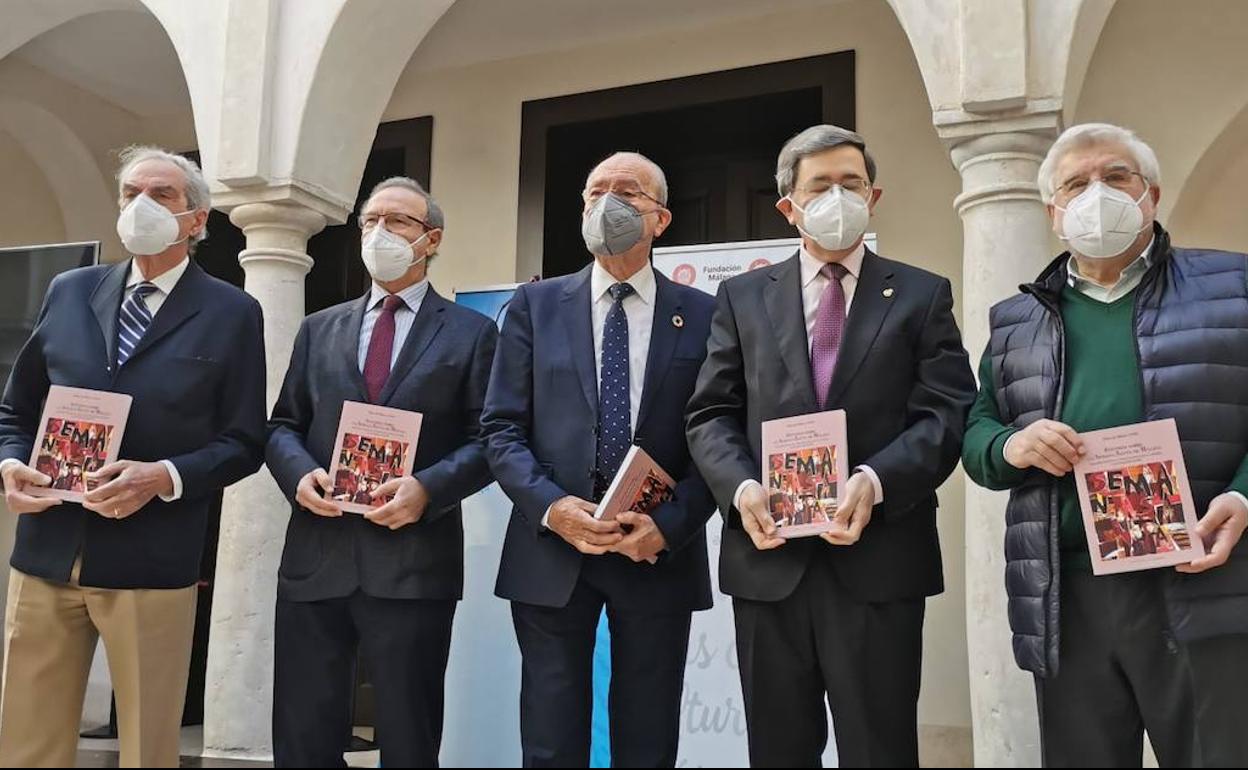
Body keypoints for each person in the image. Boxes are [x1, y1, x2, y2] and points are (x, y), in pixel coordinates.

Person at [685, 124, 976, 767]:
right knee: (778, 749)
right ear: (789, 205)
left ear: (874, 197)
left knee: (880, 747)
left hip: (879, 559)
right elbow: (711, 413)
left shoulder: (922, 294)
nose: (838, 197)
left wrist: (876, 480)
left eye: (852, 184)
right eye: (821, 185)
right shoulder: (740, 297)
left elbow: (947, 412)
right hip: (769, 560)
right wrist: (740, 489)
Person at [962, 122, 1248, 767]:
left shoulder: (1235, 286)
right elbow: (976, 430)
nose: (1097, 193)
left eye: (1115, 177)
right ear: (1053, 212)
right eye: (1076, 183)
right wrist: (1012, 445)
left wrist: (1243, 496)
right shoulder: (1016, 320)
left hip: (1202, 574)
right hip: (1068, 589)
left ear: (1150, 193)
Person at [0, 145, 267, 767]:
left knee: (149, 744)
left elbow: (243, 442)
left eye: (162, 194)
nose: (141, 205)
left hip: (153, 560)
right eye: (131, 193)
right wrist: (11, 463)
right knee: (25, 739)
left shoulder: (233, 312)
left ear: (197, 220)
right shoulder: (70, 290)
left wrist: (164, 477)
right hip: (46, 551)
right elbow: (16, 411)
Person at [482, 152, 716, 767]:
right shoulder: (534, 307)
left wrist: (668, 525)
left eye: (628, 192)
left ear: (660, 219)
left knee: (647, 735)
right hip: (552, 548)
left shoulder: (706, 315)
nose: (608, 204)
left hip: (654, 552)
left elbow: (718, 436)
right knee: (551, 738)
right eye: (596, 192)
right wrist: (551, 507)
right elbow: (501, 429)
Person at [266, 177, 497, 768]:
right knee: (303, 733)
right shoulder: (320, 328)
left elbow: (490, 439)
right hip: (318, 555)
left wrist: (429, 489)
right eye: (370, 221)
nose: (378, 233)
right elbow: (282, 425)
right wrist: (299, 477)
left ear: (431, 239)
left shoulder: (473, 333)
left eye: (397, 223)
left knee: (409, 733)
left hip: (413, 559)